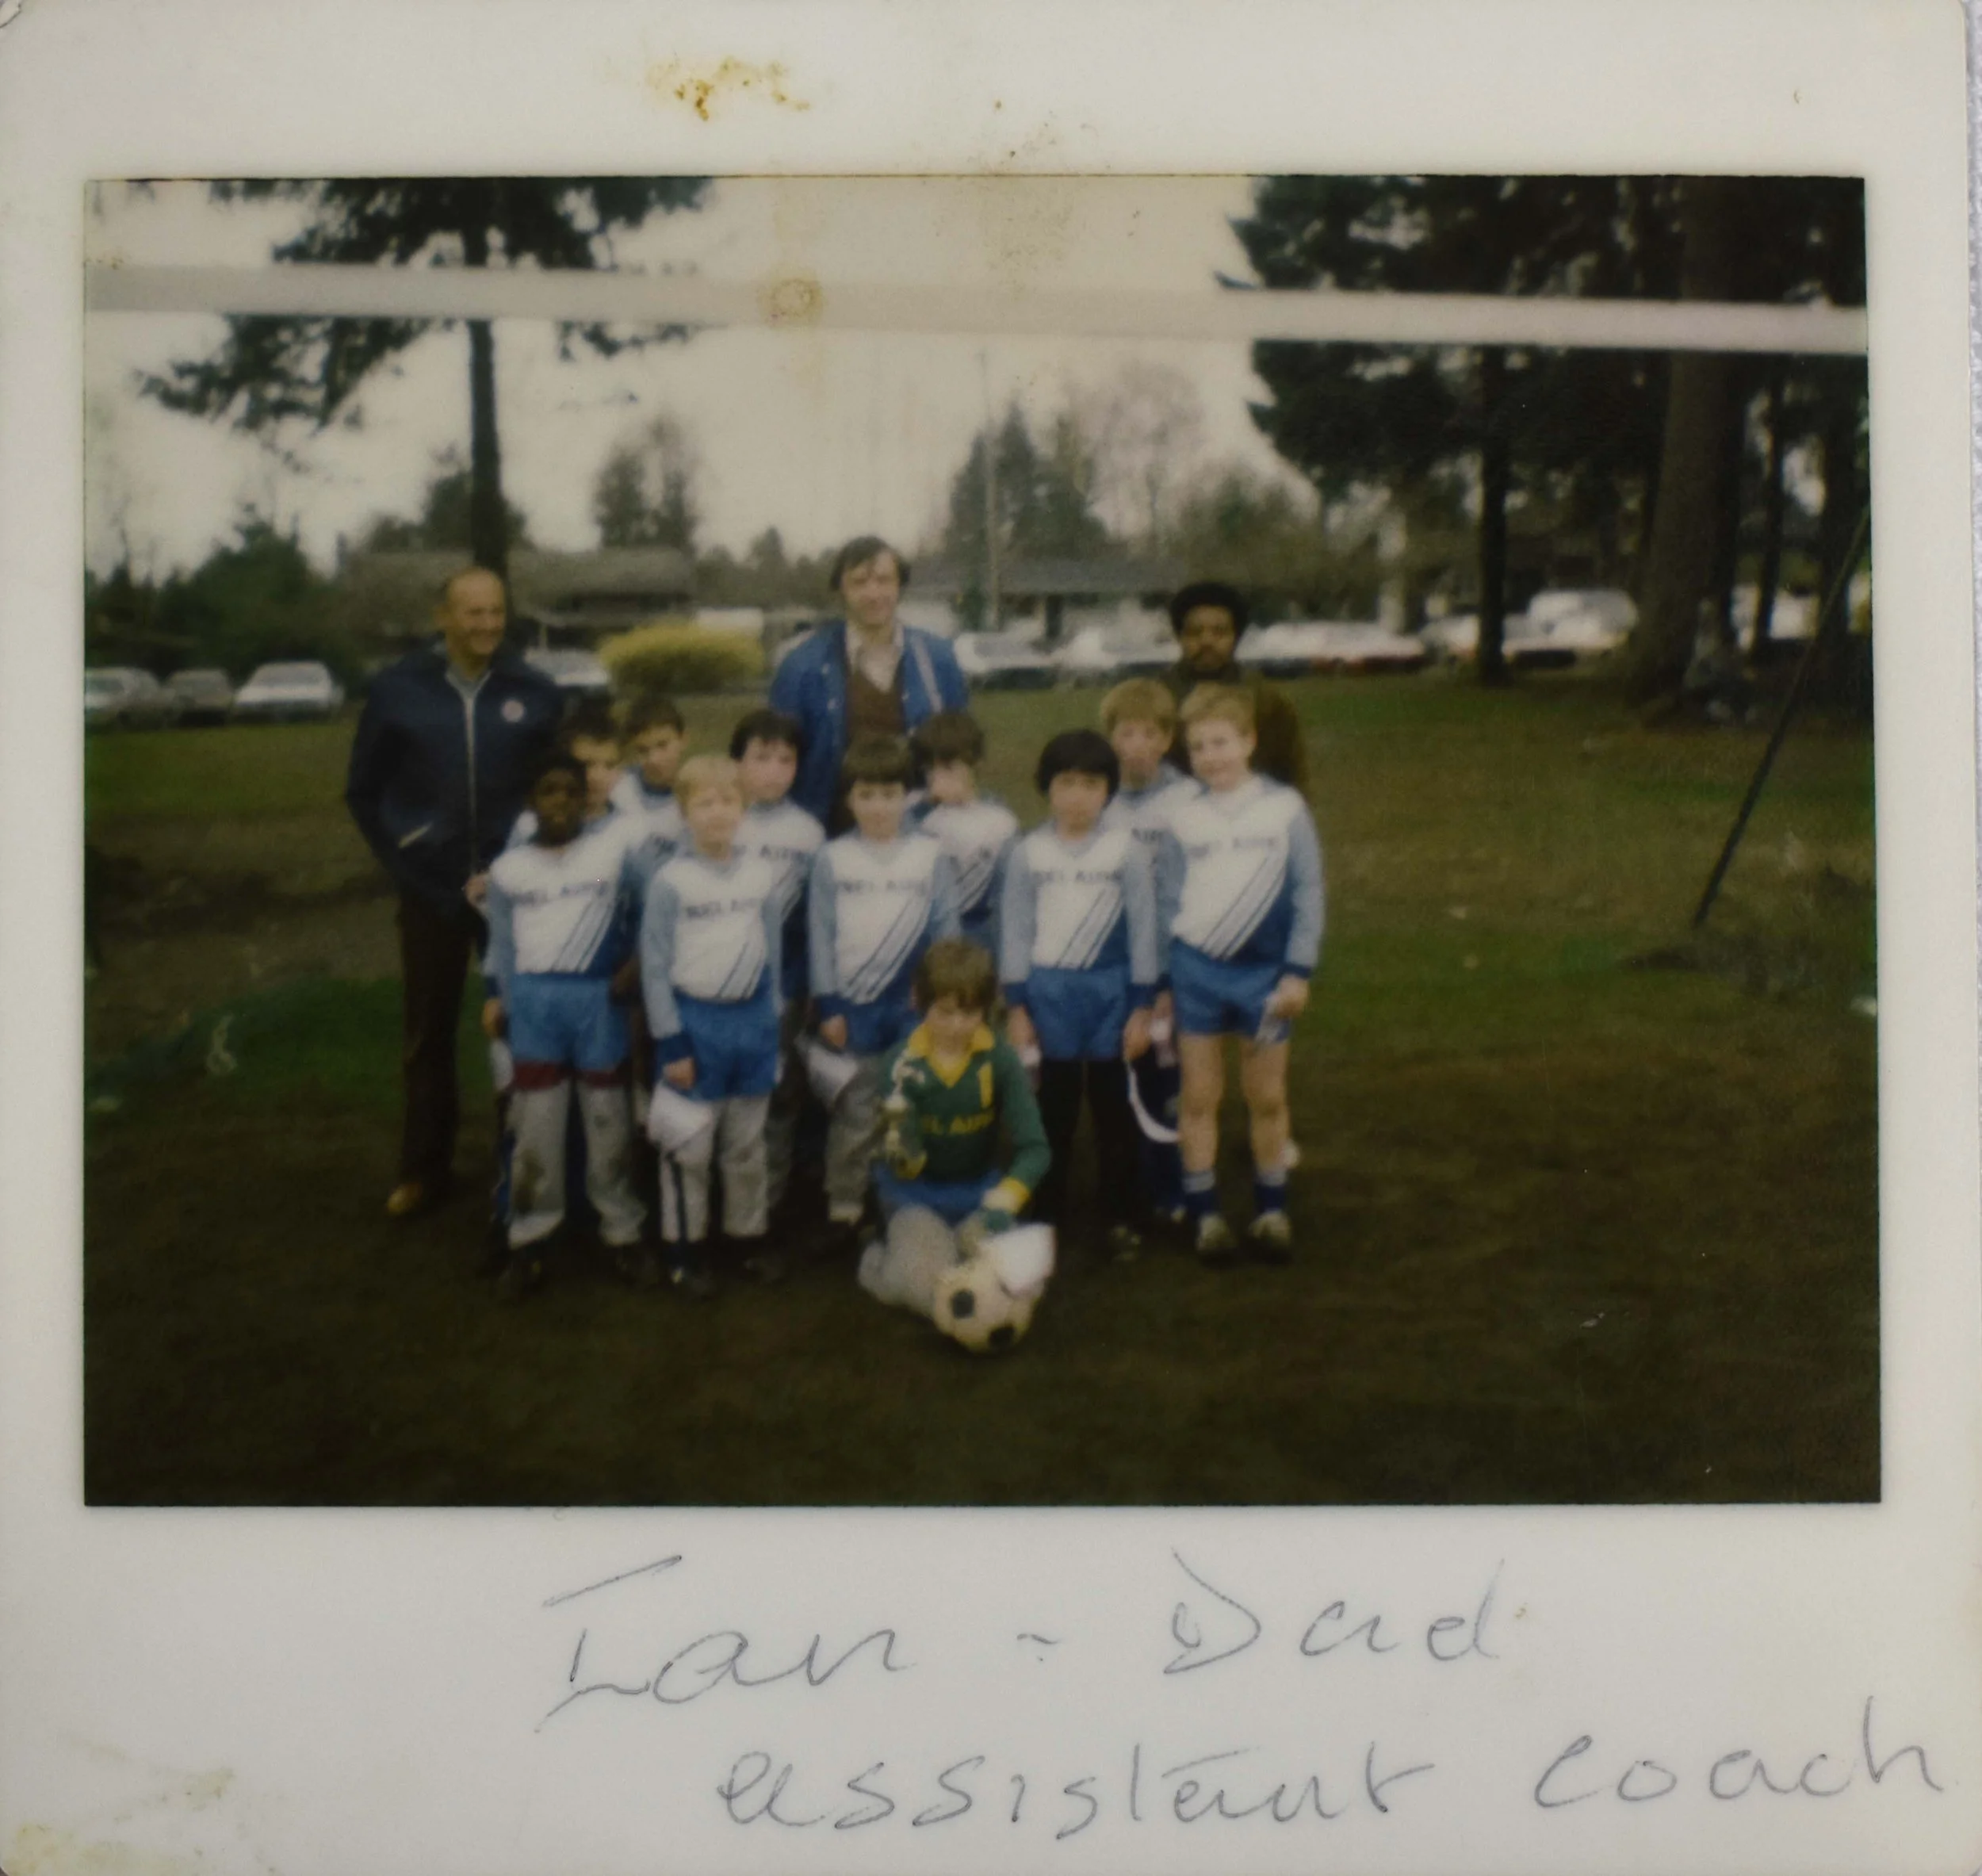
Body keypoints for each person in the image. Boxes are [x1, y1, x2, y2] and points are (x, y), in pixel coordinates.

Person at [344, 565, 562, 1220]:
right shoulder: (397, 690)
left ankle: (521, 1161)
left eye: (496, 612)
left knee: (519, 1026)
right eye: (473, 613)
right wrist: (409, 863)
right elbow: (364, 793)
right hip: (432, 892)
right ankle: (422, 1169)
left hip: (514, 892)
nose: (487, 625)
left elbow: (557, 788)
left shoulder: (534, 690)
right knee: (428, 1034)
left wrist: (525, 865)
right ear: (442, 617)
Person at [1156, 686, 1325, 1265]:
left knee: (1267, 1096)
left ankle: (1271, 1209)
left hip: (1265, 977)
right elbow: (1168, 901)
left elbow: (1308, 893)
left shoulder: (1284, 809)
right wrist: (1165, 980)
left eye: (1222, 742)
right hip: (1198, 972)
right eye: (1199, 746)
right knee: (1199, 1097)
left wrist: (1297, 971)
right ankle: (1206, 1217)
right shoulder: (1185, 818)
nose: (1211, 756)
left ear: (1249, 741)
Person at [479, 749, 649, 1300]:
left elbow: (654, 907)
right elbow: (501, 944)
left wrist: (637, 961)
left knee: (608, 1120)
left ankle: (622, 1231)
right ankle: (530, 1237)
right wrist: (498, 997)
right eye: (548, 792)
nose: (560, 802)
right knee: (536, 1124)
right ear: (531, 803)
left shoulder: (613, 852)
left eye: (571, 792)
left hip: (598, 1001)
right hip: (534, 1003)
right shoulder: (509, 870)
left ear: (586, 799)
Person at [1000, 729, 1160, 1258]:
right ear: (1047, 787)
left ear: (1109, 790)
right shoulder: (1029, 852)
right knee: (1054, 1111)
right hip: (1050, 994)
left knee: (1115, 1110)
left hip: (1111, 991)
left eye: (1091, 784)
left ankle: (1121, 1214)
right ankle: (1045, 1214)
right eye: (1066, 783)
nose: (1078, 796)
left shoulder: (1126, 852)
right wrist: (1018, 1006)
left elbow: (1143, 930)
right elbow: (1017, 930)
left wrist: (1141, 1006)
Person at [806, 734, 961, 1249]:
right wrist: (828, 1002)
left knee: (910, 1108)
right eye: (866, 795)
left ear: (908, 797)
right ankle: (844, 1206)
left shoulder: (929, 856)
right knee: (856, 1111)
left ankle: (904, 1202)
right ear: (849, 799)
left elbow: (946, 928)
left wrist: (938, 992)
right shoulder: (832, 859)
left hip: (912, 1005)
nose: (878, 807)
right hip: (853, 1004)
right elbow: (821, 934)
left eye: (890, 794)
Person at [640, 755, 783, 1295]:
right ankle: (685, 1247)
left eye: (727, 801)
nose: (717, 812)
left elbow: (770, 951)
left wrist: (773, 1021)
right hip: (694, 1024)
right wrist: (671, 1038)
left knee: (746, 1144)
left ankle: (747, 1238)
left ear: (743, 808)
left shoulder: (759, 874)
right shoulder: (672, 882)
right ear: (684, 813)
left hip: (751, 1023)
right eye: (704, 802)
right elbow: (654, 966)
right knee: (689, 1145)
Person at [861, 938, 1050, 1302]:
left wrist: (1007, 1199)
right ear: (920, 1001)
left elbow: (1036, 1149)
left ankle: (961, 1249)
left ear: (985, 1008)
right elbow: (903, 1165)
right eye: (945, 1012)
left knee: (1025, 1285)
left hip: (980, 1194)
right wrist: (902, 1138)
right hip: (915, 1198)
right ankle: (877, 1260)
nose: (957, 1026)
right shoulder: (900, 1066)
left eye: (969, 1013)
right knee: (932, 1290)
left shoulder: (1001, 1059)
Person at [767, 535, 970, 826]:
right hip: (831, 833)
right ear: (841, 589)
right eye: (859, 582)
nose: (873, 593)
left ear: (900, 585)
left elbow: (962, 745)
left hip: (924, 831)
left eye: (884, 580)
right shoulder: (801, 665)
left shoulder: (938, 658)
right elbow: (777, 755)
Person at [1097, 678, 1197, 1224]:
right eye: (1125, 732)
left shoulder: (1186, 800)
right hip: (1114, 962)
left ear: (1166, 739)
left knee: (1168, 1078)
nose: (1136, 744)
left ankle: (1172, 1185)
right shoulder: (1100, 799)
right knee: (1121, 1074)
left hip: (1172, 965)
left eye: (1149, 733)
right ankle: (1125, 1187)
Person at [728, 706, 826, 1221]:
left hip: (781, 986)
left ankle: (766, 1208)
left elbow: (814, 921)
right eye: (760, 757)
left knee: (778, 1095)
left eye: (785, 760)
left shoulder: (807, 833)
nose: (772, 770)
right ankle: (718, 1206)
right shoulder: (720, 818)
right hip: (718, 987)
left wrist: (805, 986)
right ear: (736, 761)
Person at [1163, 580, 1310, 797]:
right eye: (1195, 632)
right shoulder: (1158, 697)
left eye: (1219, 632)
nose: (1206, 641)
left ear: (1236, 637)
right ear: (1180, 637)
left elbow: (1289, 771)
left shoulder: (1265, 699)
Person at [909, 709, 1019, 954]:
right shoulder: (919, 815)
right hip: (927, 932)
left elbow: (1007, 892)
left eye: (949, 768)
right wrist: (925, 805)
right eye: (930, 770)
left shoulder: (999, 819)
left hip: (979, 930)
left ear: (975, 763)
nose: (937, 777)